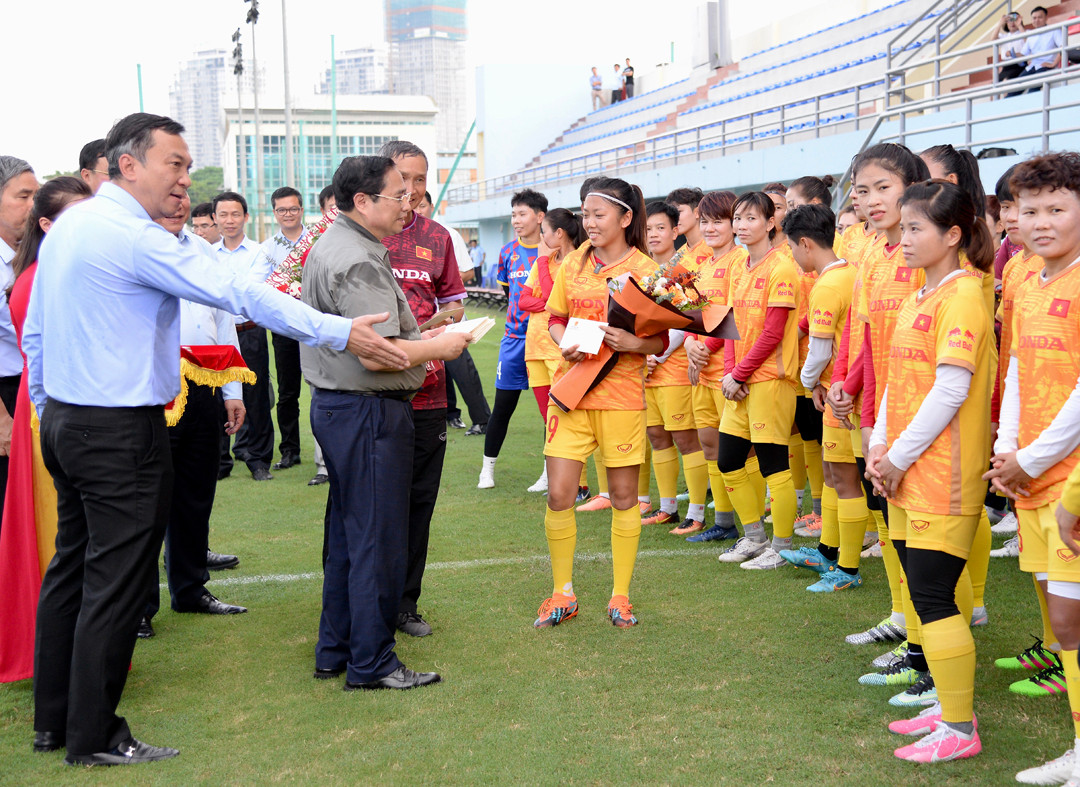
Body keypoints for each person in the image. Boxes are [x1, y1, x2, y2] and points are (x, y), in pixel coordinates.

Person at [24, 112, 408, 765]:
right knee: (113, 581)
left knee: (72, 570)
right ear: (127, 165)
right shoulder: (131, 235)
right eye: (173, 163)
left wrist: (48, 408)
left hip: (67, 417)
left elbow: (36, 330)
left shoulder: (73, 226)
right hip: (116, 428)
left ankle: (55, 722)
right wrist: (342, 331)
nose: (183, 178)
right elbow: (237, 290)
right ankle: (92, 734)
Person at [303, 154, 470, 690]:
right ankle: (371, 661)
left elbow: (378, 336)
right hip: (368, 410)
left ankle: (338, 649)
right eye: (399, 194)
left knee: (351, 536)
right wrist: (444, 346)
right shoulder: (357, 257)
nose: (410, 203)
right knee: (376, 537)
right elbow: (377, 354)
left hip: (347, 407)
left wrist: (423, 330)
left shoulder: (342, 244)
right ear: (362, 202)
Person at [867, 179, 994, 762]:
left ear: (952, 235)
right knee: (924, 596)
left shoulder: (964, 294)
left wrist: (895, 455)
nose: (906, 237)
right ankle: (947, 708)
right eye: (905, 226)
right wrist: (881, 447)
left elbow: (951, 388)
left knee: (934, 594)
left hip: (942, 471)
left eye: (917, 228)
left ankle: (961, 729)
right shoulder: (922, 293)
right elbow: (897, 382)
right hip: (906, 467)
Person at [986, 153, 1080, 784]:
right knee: (1059, 615)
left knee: (1073, 617)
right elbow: (1019, 367)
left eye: (1056, 209)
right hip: (1033, 473)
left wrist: (1030, 457)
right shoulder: (1031, 279)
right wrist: (1010, 449)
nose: (1039, 221)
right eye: (1029, 209)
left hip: (1069, 475)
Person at [536, 176, 664, 629]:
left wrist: (633, 341)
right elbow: (554, 317)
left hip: (622, 399)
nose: (588, 223)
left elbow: (659, 339)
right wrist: (564, 341)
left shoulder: (648, 270)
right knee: (559, 494)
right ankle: (561, 593)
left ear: (625, 218)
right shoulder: (572, 263)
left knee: (625, 497)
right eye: (584, 215)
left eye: (598, 215)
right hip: (570, 394)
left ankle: (621, 596)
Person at [141, 194, 248, 639]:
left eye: (184, 195)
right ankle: (138, 606)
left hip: (204, 383)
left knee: (196, 491)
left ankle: (190, 589)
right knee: (146, 501)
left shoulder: (202, 251)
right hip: (149, 387)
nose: (178, 202)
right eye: (169, 192)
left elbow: (222, 320)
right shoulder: (137, 245)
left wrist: (231, 389)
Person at [0, 176, 90, 686]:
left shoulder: (41, 271)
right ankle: (59, 656)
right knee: (59, 542)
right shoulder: (40, 276)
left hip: (48, 406)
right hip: (51, 409)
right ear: (47, 225)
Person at [379, 139, 468, 638]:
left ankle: (404, 605)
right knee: (372, 503)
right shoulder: (360, 233)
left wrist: (442, 319)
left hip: (428, 391)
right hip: (372, 391)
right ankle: (362, 603)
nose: (412, 190)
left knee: (417, 503)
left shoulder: (437, 237)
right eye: (403, 178)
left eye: (420, 179)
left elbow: (455, 301)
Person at [779, 203, 868, 591]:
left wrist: (806, 382)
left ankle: (847, 569)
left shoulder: (827, 285)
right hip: (844, 391)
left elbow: (819, 350)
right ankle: (829, 551)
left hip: (841, 394)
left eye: (791, 249)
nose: (793, 257)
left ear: (804, 244)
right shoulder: (850, 272)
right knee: (835, 476)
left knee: (845, 480)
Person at [713, 192, 803, 570]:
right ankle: (753, 538)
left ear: (770, 223)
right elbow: (733, 325)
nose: (741, 225)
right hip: (742, 381)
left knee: (773, 464)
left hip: (770, 381)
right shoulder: (739, 266)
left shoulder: (782, 268)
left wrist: (740, 373)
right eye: (737, 218)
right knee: (728, 460)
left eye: (751, 218)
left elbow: (772, 332)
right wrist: (730, 373)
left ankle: (780, 548)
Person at [640, 201, 710, 533]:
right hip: (646, 368)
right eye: (648, 229)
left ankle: (696, 512)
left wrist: (659, 354)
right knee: (656, 435)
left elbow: (689, 321)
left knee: (686, 439)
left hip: (673, 368)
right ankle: (667, 506)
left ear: (675, 231)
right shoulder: (642, 270)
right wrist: (642, 355)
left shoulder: (683, 269)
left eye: (660, 228)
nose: (653, 234)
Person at [684, 190, 745, 543]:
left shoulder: (740, 260)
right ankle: (723, 521)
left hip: (726, 367)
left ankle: (748, 521)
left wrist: (703, 347)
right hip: (699, 367)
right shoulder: (700, 263)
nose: (709, 228)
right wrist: (692, 345)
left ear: (734, 224)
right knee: (709, 445)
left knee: (735, 449)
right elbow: (689, 313)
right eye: (704, 221)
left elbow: (735, 314)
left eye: (717, 221)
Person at [479, 188, 548, 490]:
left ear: (540, 216)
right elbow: (511, 296)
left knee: (552, 411)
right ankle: (487, 470)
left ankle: (549, 474)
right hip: (513, 341)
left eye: (522, 214)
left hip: (547, 342)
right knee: (502, 407)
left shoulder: (555, 251)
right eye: (514, 215)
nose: (517, 220)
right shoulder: (507, 252)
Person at [518, 208, 587, 494]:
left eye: (544, 231)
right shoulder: (542, 263)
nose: (541, 237)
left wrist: (545, 298)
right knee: (550, 420)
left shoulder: (581, 261)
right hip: (534, 348)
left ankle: (580, 485)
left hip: (563, 350)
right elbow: (523, 300)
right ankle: (559, 480)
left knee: (567, 419)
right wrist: (547, 300)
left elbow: (566, 303)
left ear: (558, 233)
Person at [213, 190, 275, 481]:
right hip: (218, 335)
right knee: (216, 395)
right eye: (223, 214)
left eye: (235, 214)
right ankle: (220, 461)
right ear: (215, 218)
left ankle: (259, 460)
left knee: (257, 395)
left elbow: (253, 291)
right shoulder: (207, 255)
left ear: (246, 217)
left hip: (250, 332)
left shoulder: (260, 252)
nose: (229, 220)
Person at [417, 190, 491, 434]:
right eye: (414, 206)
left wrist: (436, 281)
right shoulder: (399, 236)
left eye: (423, 206)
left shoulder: (446, 234)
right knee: (435, 373)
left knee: (462, 368)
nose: (418, 210)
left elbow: (468, 272)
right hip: (419, 321)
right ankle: (449, 416)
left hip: (448, 317)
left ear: (431, 207)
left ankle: (482, 418)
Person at [257, 186, 309, 472]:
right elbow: (263, 286)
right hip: (285, 327)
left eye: (293, 208)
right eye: (282, 210)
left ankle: (328, 454)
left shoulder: (318, 240)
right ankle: (290, 450)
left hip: (315, 322)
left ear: (302, 210)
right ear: (274, 213)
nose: (288, 214)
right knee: (288, 393)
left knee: (322, 388)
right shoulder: (268, 248)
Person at [0, 156, 38, 534]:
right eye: (22, 196)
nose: (33, 206)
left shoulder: (28, 257)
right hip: (5, 396)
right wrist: (1, 419)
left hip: (30, 391)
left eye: (36, 196)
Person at [1006, 6, 1063, 95]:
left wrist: (1053, 64)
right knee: (1014, 89)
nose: (1037, 20)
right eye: (1034, 18)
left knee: (1032, 90)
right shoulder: (1031, 35)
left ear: (1046, 18)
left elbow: (1063, 47)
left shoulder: (1054, 30)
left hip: (1045, 66)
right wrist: (1012, 53)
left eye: (1040, 17)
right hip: (1032, 67)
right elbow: (1023, 54)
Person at [995, 10, 1028, 82]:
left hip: (1020, 64)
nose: (1012, 23)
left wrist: (1019, 25)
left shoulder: (1025, 32)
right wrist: (1000, 23)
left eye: (1014, 20)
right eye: (1009, 20)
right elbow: (993, 38)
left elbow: (1028, 41)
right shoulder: (1003, 36)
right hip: (1006, 65)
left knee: (1006, 82)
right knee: (994, 85)